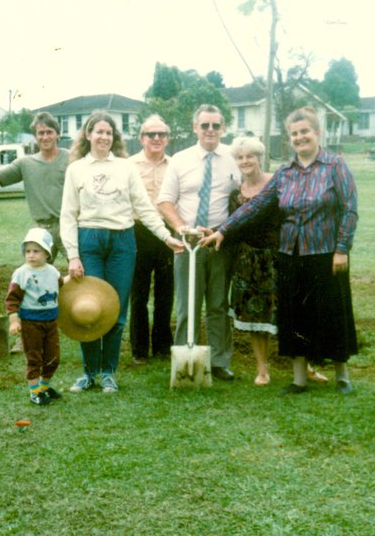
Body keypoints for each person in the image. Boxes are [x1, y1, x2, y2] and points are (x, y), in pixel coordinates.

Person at [200, 107, 359, 395]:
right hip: (290, 254)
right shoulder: (285, 172)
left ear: (317, 132)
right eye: (294, 134)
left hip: (325, 253)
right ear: (290, 139)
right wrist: (223, 229)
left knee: (331, 314)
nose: (300, 138)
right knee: (294, 317)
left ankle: (342, 376)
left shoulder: (335, 165)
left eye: (305, 132)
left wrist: (342, 249)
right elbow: (256, 205)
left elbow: (349, 209)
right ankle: (298, 379)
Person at [60, 112, 183, 394]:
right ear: (88, 135)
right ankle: (89, 372)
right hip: (89, 239)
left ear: (114, 137)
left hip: (123, 242)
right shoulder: (76, 169)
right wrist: (73, 256)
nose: (103, 137)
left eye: (108, 132)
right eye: (98, 132)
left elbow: (144, 207)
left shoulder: (126, 168)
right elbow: (68, 215)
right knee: (88, 308)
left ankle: (108, 373)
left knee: (116, 309)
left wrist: (166, 237)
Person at [157, 105, 241, 381]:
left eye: (216, 126)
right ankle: (185, 361)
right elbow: (165, 201)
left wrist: (226, 230)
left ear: (223, 128)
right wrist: (181, 227)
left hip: (218, 239)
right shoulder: (180, 160)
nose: (210, 131)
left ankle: (218, 361)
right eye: (205, 125)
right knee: (187, 303)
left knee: (218, 303)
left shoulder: (233, 158)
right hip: (189, 241)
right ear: (195, 127)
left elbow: (244, 197)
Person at [0, 112, 70, 263]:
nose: (45, 137)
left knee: (81, 271)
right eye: (41, 133)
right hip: (41, 229)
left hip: (68, 225)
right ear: (35, 136)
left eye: (49, 132)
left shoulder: (71, 158)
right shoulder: (25, 164)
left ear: (58, 134)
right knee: (35, 274)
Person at [223, 136, 279, 386]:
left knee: (289, 313)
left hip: (278, 258)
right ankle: (262, 369)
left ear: (260, 158)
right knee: (256, 318)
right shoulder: (235, 194)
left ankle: (306, 366)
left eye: (250, 156)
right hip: (248, 261)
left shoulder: (277, 183)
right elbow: (232, 227)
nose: (245, 161)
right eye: (240, 157)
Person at [128, 115, 175, 364]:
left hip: (167, 232)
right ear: (141, 138)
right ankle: (139, 350)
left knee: (166, 292)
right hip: (138, 231)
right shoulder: (129, 165)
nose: (156, 139)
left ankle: (162, 346)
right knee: (139, 293)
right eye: (151, 134)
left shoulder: (175, 164)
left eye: (161, 134)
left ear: (167, 138)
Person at [5, 228, 64, 406]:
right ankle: (34, 391)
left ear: (47, 253)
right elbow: (12, 299)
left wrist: (73, 278)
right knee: (34, 357)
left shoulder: (53, 271)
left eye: (36, 251)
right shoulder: (21, 274)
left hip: (51, 321)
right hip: (31, 322)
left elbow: (60, 286)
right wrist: (14, 320)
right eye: (28, 251)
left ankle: (44, 387)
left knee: (53, 357)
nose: (31, 255)